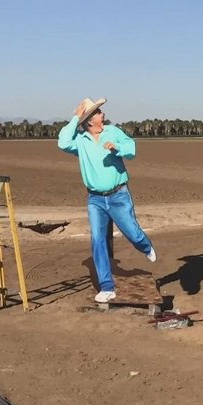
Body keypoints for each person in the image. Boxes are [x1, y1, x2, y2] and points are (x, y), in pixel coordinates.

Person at [58, 98, 156, 303]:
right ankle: (107, 287)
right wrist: (75, 116)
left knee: (132, 232)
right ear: (89, 120)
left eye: (100, 112)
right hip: (95, 199)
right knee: (97, 240)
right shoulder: (80, 140)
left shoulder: (113, 132)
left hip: (119, 195)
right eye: (98, 112)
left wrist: (117, 149)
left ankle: (145, 246)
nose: (102, 114)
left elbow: (131, 148)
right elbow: (62, 142)